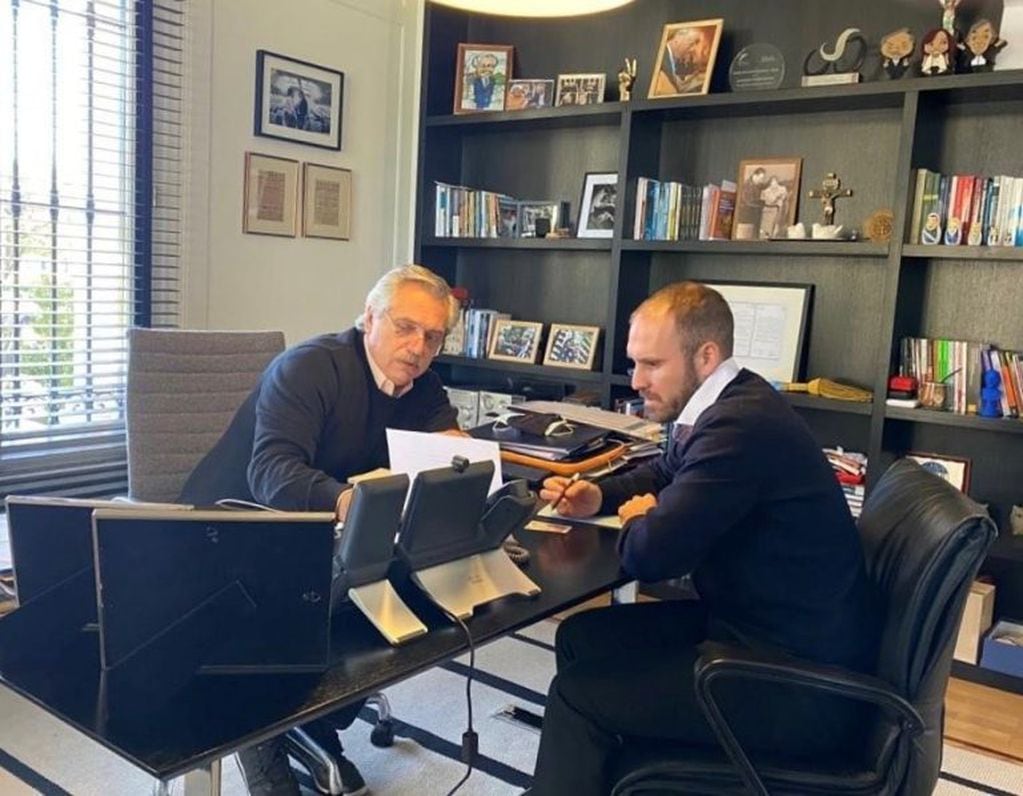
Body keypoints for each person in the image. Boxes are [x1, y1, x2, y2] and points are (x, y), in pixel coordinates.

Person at [530, 282, 880, 796]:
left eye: (652, 365)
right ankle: (620, 777)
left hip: (797, 685)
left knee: (578, 695)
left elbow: (651, 556)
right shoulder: (731, 403)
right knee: (581, 638)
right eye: (634, 364)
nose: (636, 381)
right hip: (757, 633)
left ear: (706, 355)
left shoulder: (740, 425)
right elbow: (664, 472)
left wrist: (639, 521)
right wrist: (596, 496)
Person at [179, 264, 460, 796]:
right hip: (229, 527)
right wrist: (350, 501)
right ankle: (259, 734)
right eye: (405, 327)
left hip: (319, 532)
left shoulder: (420, 383)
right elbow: (272, 473)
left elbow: (449, 449)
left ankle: (311, 720)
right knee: (345, 596)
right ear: (370, 316)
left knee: (404, 600)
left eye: (433, 336)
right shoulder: (311, 367)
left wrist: (461, 467)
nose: (418, 346)